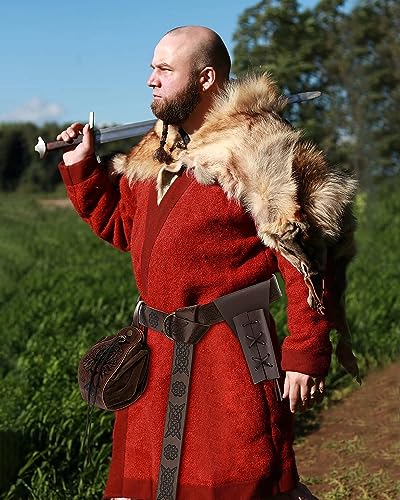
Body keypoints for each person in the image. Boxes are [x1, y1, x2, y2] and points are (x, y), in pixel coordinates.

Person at [57, 25, 357, 500]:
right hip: (155, 355)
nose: (151, 80)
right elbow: (124, 229)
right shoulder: (155, 154)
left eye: (164, 69)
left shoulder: (258, 151)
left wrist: (306, 350)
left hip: (230, 356)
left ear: (205, 78)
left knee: (243, 481)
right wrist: (82, 167)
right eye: (152, 69)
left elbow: (301, 258)